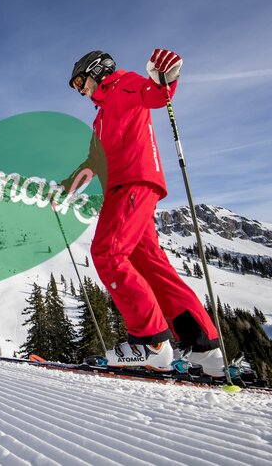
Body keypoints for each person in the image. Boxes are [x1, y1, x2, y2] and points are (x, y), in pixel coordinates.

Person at [62, 49, 226, 377]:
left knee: (108, 253)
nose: (81, 91)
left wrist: (165, 77)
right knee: (149, 264)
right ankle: (206, 351)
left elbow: (154, 95)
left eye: (81, 82)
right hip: (131, 184)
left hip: (130, 184)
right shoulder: (103, 112)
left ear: (96, 72)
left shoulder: (123, 85)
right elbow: (95, 160)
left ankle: (150, 344)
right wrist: (69, 184)